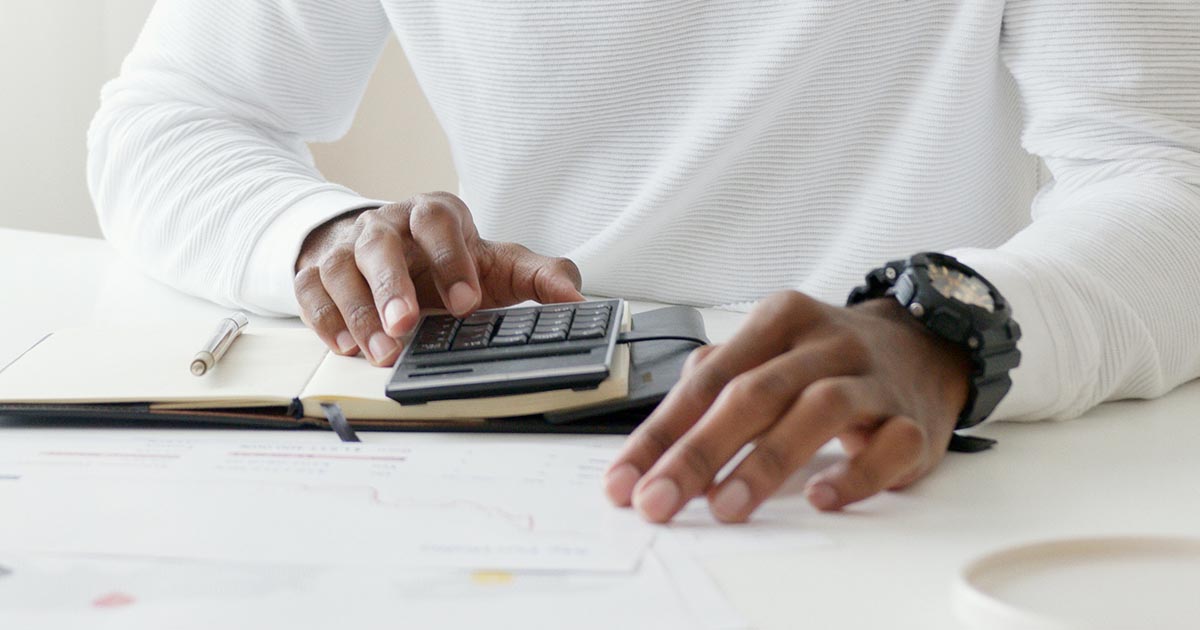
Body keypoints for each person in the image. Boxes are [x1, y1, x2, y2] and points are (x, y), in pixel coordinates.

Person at [88, 1, 1200, 524]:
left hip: (905, 472)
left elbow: (1167, 176)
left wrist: (937, 325)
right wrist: (323, 234)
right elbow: (175, 115)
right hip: (500, 471)